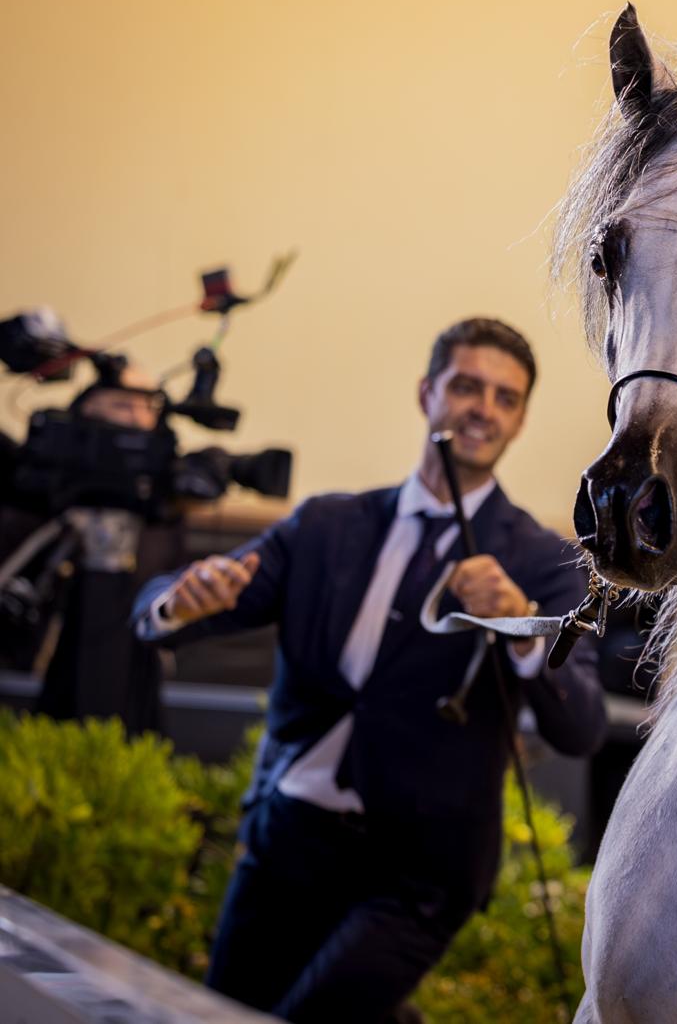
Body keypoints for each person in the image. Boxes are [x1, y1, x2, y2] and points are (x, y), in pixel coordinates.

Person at [132, 317, 605, 1021]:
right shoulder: (326, 526)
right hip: (287, 839)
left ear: (520, 419)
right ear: (426, 393)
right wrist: (180, 601)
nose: (484, 408)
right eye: (466, 386)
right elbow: (168, 606)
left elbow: (582, 726)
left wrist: (522, 628)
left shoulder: (544, 562)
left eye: (505, 398)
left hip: (420, 873)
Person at [1, 361, 180, 732]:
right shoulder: (40, 481)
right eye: (123, 405)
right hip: (46, 649)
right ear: (87, 408)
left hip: (131, 652)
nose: (137, 418)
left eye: (148, 406)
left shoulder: (161, 494)